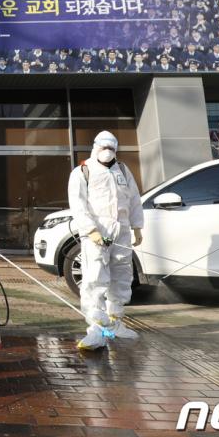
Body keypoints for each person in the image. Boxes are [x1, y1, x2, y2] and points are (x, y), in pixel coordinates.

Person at [67, 131, 143, 350]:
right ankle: (96, 330)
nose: (107, 151)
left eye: (111, 148)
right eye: (104, 147)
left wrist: (137, 226)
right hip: (97, 233)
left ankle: (116, 322)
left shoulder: (123, 170)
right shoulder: (83, 171)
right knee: (95, 279)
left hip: (122, 230)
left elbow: (134, 199)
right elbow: (78, 203)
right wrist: (91, 230)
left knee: (122, 276)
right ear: (95, 147)